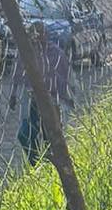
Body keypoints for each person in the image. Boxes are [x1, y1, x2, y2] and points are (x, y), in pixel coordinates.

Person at [9, 21, 73, 165]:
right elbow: (17, 73)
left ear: (46, 35)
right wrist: (13, 94)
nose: (37, 38)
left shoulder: (55, 52)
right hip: (34, 100)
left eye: (40, 34)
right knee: (24, 134)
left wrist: (64, 98)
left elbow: (65, 77)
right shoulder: (26, 53)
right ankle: (36, 163)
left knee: (50, 137)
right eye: (34, 35)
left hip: (53, 101)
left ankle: (51, 165)